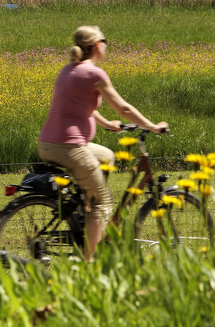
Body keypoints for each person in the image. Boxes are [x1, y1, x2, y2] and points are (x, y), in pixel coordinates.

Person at [38, 25, 167, 260]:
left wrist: (106, 122)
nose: (107, 44)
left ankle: (81, 214)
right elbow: (124, 107)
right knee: (103, 204)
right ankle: (90, 263)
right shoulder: (94, 74)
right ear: (97, 45)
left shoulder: (68, 70)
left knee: (107, 156)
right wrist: (152, 126)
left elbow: (79, 105)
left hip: (49, 144)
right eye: (105, 40)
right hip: (71, 147)